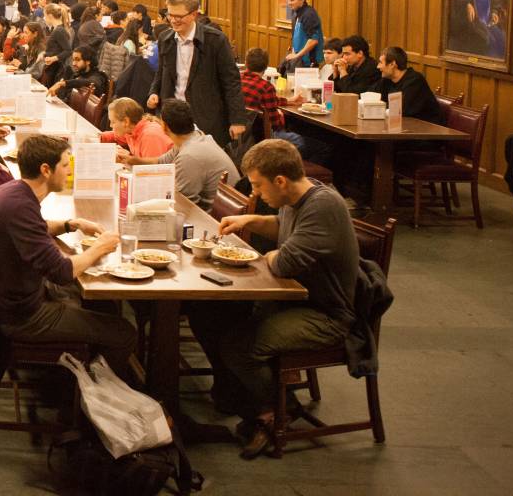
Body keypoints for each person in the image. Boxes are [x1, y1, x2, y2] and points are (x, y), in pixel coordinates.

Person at [187, 139, 358, 459]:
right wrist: (251, 221)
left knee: (240, 347)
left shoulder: (322, 206)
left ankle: (277, 411)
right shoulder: (298, 195)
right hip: (292, 301)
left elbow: (284, 263)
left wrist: (268, 255)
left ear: (280, 180)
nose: (255, 193)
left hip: (325, 315)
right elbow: (284, 227)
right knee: (206, 313)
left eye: (257, 185)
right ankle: (237, 396)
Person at [0, 134, 136, 376]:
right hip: (22, 317)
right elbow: (62, 272)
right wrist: (101, 247)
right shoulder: (20, 206)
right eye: (64, 165)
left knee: (105, 306)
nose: (69, 171)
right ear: (46, 170)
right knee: (124, 332)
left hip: (9, 300)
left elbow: (37, 227)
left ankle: (85, 372)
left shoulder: (13, 191)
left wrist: (71, 224)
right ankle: (96, 392)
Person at [147, 0, 247, 147]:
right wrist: (154, 92)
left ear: (194, 14)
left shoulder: (215, 40)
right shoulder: (165, 38)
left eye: (179, 16)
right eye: (170, 15)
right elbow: (161, 72)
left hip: (205, 116)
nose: (173, 20)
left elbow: (231, 82)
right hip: (173, 117)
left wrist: (237, 120)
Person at [118, 100, 229, 211]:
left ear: (164, 127)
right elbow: (160, 161)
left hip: (213, 215)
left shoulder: (188, 157)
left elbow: (182, 204)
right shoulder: (192, 137)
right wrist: (131, 160)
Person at [376, 47, 442, 123]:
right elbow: (374, 99)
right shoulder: (387, 79)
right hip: (402, 124)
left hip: (428, 127)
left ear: (392, 64)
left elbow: (400, 111)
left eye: (380, 62)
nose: (378, 66)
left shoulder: (415, 80)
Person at [102, 97, 174, 157]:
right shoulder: (130, 130)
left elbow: (153, 168)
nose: (110, 125)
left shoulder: (150, 136)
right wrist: (100, 137)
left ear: (126, 121)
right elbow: (117, 136)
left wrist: (129, 158)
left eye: (113, 122)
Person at [283, 0, 324, 70]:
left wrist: (297, 55)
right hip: (299, 60)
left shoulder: (309, 15)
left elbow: (313, 40)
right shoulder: (296, 13)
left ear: (302, 0)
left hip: (309, 62)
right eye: (288, 0)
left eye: (292, 0)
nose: (289, 3)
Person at [40, 3, 73, 86]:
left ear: (50, 16)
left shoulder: (59, 31)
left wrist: (53, 58)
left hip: (56, 69)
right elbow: (56, 48)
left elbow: (68, 51)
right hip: (52, 67)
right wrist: (44, 53)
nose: (44, 18)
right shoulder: (56, 29)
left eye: (45, 15)